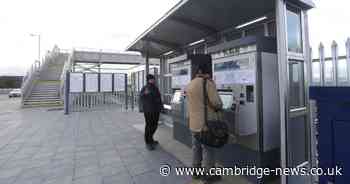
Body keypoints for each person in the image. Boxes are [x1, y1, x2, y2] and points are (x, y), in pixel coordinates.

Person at [186, 67, 223, 182]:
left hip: (193, 123)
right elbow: (217, 103)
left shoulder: (190, 84)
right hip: (206, 125)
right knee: (208, 149)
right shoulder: (207, 83)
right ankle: (209, 175)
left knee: (196, 148)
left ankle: (196, 171)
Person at [140, 74, 163, 150]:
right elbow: (141, 97)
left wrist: (161, 107)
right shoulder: (145, 88)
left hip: (155, 110)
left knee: (154, 125)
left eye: (153, 79)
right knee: (149, 126)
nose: (154, 80)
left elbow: (158, 98)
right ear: (149, 80)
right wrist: (145, 94)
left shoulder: (154, 87)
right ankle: (148, 142)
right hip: (149, 111)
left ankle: (151, 139)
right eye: (152, 79)